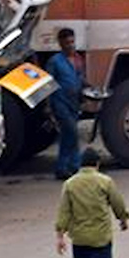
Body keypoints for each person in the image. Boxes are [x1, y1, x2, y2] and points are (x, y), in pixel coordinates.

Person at [55, 148, 129, 258]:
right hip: (100, 239)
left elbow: (64, 212)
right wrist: (123, 219)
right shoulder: (105, 182)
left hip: (79, 240)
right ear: (97, 164)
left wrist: (60, 237)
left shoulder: (70, 184)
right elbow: (117, 204)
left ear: (81, 164)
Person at [46, 28, 84, 180]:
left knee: (68, 136)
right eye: (67, 42)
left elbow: (80, 78)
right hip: (59, 102)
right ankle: (69, 166)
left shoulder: (77, 59)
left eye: (72, 42)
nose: (71, 45)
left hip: (74, 103)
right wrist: (48, 107)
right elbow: (48, 85)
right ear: (60, 43)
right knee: (72, 133)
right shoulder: (54, 61)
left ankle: (68, 167)